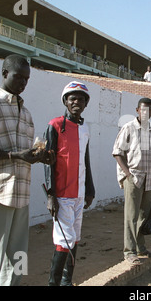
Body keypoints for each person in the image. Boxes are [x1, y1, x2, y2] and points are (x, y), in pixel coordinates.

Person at [0, 54, 54, 286]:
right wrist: (17, 155)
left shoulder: (25, 113)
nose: (23, 83)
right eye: (18, 77)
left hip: (21, 192)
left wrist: (41, 157)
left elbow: (25, 154)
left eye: (27, 79)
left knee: (18, 257)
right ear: (5, 73)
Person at [44, 81, 95, 286]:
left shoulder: (85, 129)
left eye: (81, 99)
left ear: (85, 103)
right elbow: (48, 162)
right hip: (62, 195)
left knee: (74, 238)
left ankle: (67, 281)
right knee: (64, 240)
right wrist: (50, 195)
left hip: (79, 193)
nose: (76, 102)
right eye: (72, 98)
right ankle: (54, 283)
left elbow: (86, 161)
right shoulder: (55, 125)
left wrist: (90, 190)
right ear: (65, 101)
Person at [112, 97, 151, 265]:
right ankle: (129, 251)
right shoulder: (129, 128)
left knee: (143, 215)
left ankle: (141, 247)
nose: (145, 113)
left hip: (148, 179)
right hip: (134, 177)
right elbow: (118, 152)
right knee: (131, 216)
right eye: (143, 109)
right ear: (137, 110)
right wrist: (128, 175)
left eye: (149, 110)